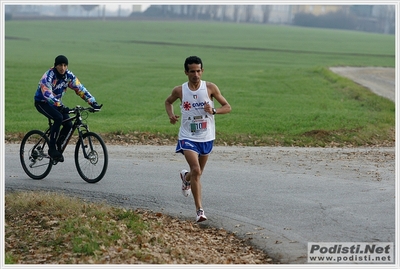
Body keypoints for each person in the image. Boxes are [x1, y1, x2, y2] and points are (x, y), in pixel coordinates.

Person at [165, 56, 231, 222]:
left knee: (197, 173)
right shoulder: (180, 90)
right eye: (192, 71)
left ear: (202, 71)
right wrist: (171, 115)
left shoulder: (209, 87)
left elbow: (227, 107)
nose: (196, 74)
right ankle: (199, 211)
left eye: (198, 71)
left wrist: (214, 110)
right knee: (196, 170)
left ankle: (186, 178)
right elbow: (168, 102)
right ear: (186, 72)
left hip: (206, 137)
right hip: (187, 136)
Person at [34, 55, 102, 162]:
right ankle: (52, 149)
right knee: (58, 118)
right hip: (42, 102)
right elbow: (47, 94)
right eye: (60, 65)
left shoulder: (68, 76)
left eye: (65, 65)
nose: (63, 68)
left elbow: (80, 89)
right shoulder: (48, 76)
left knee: (69, 124)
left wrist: (93, 103)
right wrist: (60, 106)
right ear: (56, 65)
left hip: (56, 104)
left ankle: (57, 146)